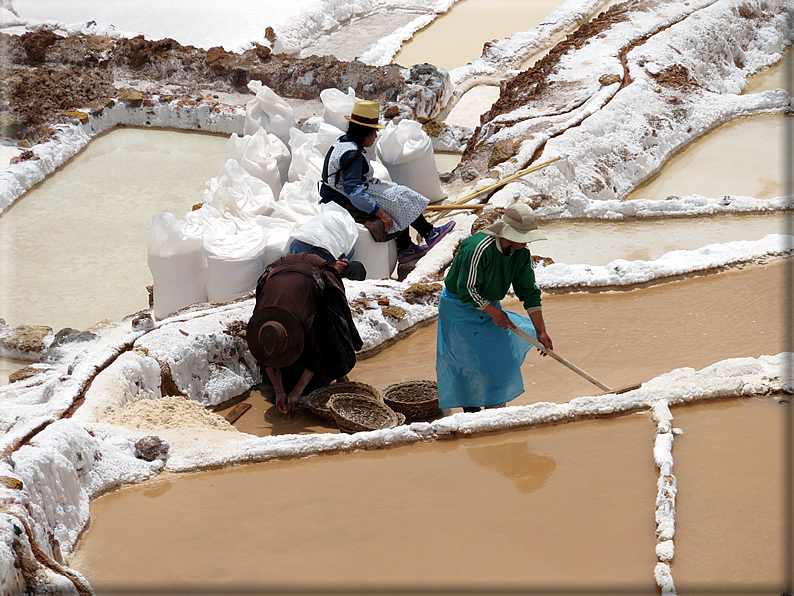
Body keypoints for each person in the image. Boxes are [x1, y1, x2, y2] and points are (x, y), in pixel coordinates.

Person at [435, 203, 554, 412]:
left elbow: (529, 292)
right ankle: (471, 415)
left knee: (501, 360)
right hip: (459, 308)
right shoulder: (478, 248)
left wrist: (541, 330)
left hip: (489, 305)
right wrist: (494, 312)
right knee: (467, 362)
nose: (526, 242)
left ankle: (495, 413)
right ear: (507, 233)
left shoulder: (521, 254)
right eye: (522, 236)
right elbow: (467, 289)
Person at [319, 99, 455, 264]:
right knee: (396, 198)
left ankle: (406, 247)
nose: (375, 137)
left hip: (338, 192)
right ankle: (428, 233)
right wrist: (380, 213)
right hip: (343, 198)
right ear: (364, 133)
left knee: (397, 191)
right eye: (374, 132)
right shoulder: (352, 155)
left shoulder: (343, 141)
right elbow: (354, 191)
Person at [246, 252, 363, 415]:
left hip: (314, 269)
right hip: (278, 268)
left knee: (330, 325)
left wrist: (296, 393)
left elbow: (313, 358)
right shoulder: (259, 327)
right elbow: (267, 359)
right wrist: (280, 391)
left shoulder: (302, 322)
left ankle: (341, 374)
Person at [287, 210, 367, 280]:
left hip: (337, 284)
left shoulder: (346, 245)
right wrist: (329, 270)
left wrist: (338, 271)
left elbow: (348, 271)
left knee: (356, 267)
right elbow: (297, 274)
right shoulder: (300, 245)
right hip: (312, 283)